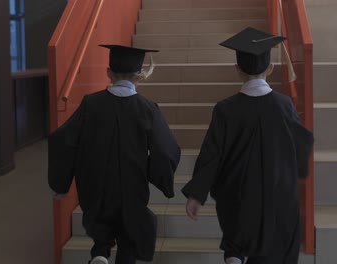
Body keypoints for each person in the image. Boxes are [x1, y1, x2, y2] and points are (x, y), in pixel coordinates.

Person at [181, 27, 314, 264]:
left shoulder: (226, 108)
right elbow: (301, 144)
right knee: (277, 242)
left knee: (238, 226)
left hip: (238, 191)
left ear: (237, 70)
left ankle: (234, 254)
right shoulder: (284, 105)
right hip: (276, 191)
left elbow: (212, 154)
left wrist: (196, 195)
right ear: (270, 69)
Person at [48, 44, 181, 264]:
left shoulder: (90, 104)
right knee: (129, 237)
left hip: (96, 182)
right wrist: (155, 174)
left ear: (108, 73)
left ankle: (100, 254)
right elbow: (166, 150)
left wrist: (61, 184)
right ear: (140, 75)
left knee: (101, 227)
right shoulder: (148, 108)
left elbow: (64, 140)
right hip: (131, 183)